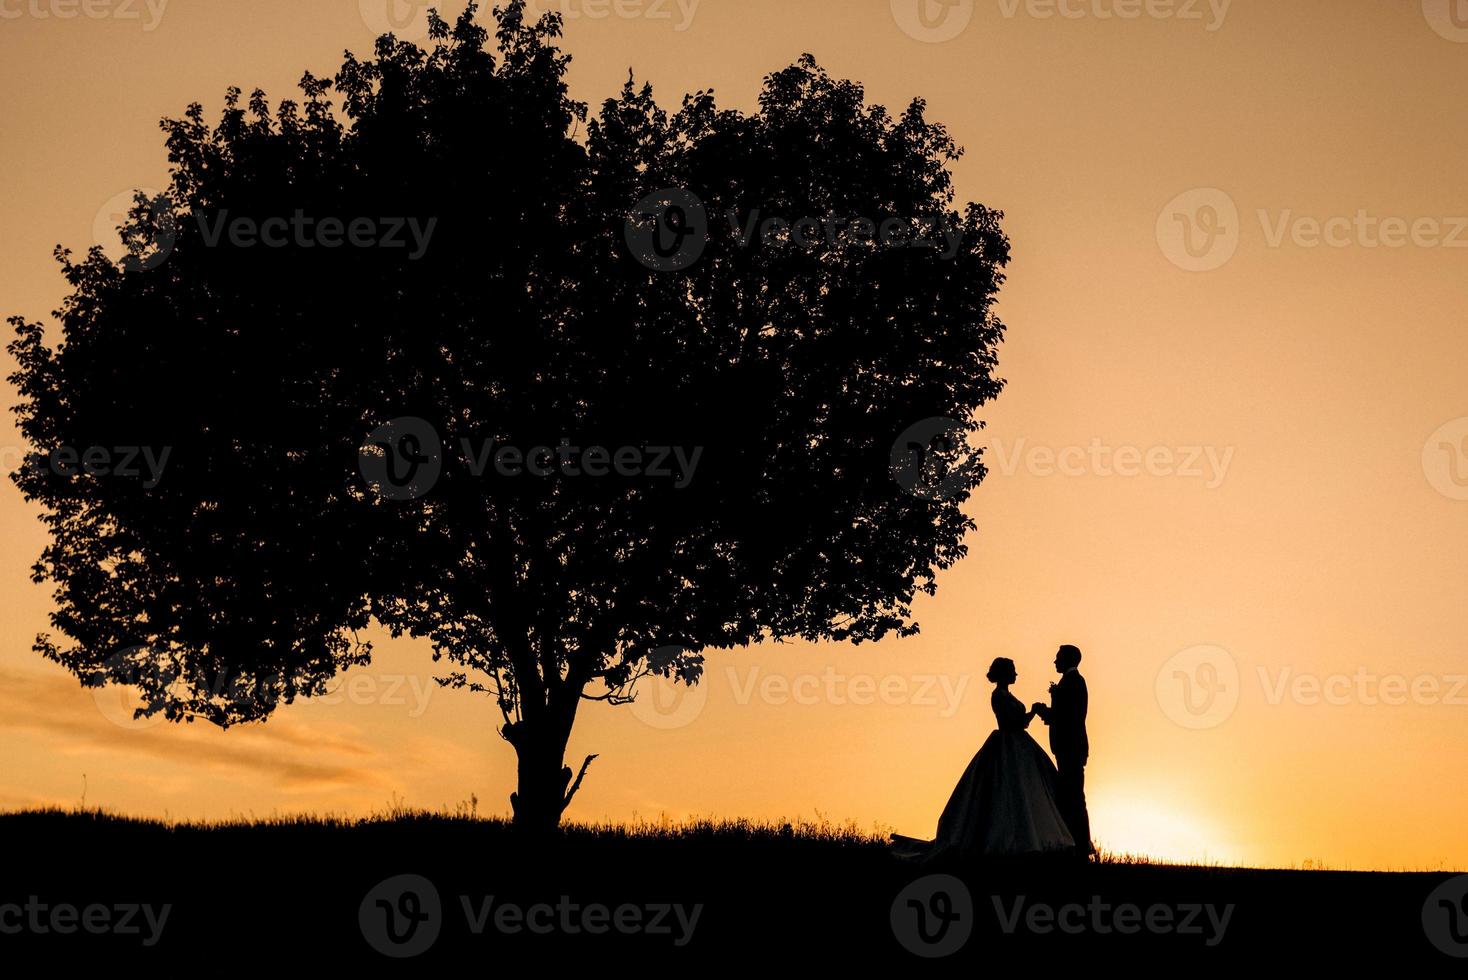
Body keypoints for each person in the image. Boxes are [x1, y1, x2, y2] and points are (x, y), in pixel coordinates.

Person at [892, 657, 1074, 861]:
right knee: (1009, 791)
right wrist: (1033, 712)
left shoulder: (1005, 695)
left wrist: (1032, 713)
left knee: (1024, 791)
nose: (1016, 674)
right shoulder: (999, 696)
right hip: (1009, 744)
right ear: (1004, 673)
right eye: (1013, 671)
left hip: (1018, 745)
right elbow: (1014, 722)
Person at [1032, 644, 1093, 858]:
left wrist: (1044, 712)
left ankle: (1081, 847)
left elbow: (1068, 717)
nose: (1054, 662)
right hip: (1066, 747)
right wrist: (1046, 712)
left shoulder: (1074, 682)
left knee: (1074, 796)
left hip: (1071, 748)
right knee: (1070, 796)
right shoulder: (1069, 682)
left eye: (1057, 658)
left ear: (1067, 659)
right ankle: (1074, 845)